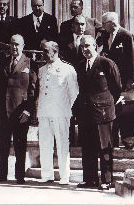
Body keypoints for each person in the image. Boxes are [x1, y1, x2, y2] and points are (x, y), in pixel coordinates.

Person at [75, 35, 121, 190]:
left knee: (105, 148)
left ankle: (107, 180)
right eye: (82, 47)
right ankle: (90, 179)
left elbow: (116, 88)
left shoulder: (106, 63)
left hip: (102, 113)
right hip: (86, 113)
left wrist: (106, 106)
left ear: (95, 45)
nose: (85, 49)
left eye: (87, 46)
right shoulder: (80, 65)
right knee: (87, 147)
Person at [0, 34, 37, 184]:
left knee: (20, 145)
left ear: (23, 46)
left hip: (20, 112)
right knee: (2, 145)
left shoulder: (30, 63)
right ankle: (1, 176)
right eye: (12, 44)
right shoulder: (2, 62)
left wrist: (28, 111)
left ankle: (20, 177)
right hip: (3, 112)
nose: (14, 47)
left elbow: (33, 90)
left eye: (17, 44)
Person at [37, 41, 79, 185]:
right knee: (45, 143)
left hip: (61, 112)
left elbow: (74, 93)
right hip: (44, 112)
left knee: (62, 144)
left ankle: (64, 176)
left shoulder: (67, 69)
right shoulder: (41, 70)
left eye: (46, 51)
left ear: (55, 51)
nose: (43, 54)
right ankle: (47, 174)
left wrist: (67, 109)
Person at [100, 12, 134, 149]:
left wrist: (132, 79)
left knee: (126, 109)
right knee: (113, 108)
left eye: (104, 23)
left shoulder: (126, 35)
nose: (103, 26)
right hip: (110, 80)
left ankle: (128, 138)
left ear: (112, 23)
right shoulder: (105, 36)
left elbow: (133, 58)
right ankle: (113, 138)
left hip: (124, 79)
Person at [59, 15, 87, 147]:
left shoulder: (89, 42)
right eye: (78, 24)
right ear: (72, 26)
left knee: (82, 113)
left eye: (83, 24)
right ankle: (69, 142)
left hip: (83, 83)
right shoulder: (63, 41)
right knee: (68, 112)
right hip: (67, 82)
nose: (80, 27)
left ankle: (82, 141)